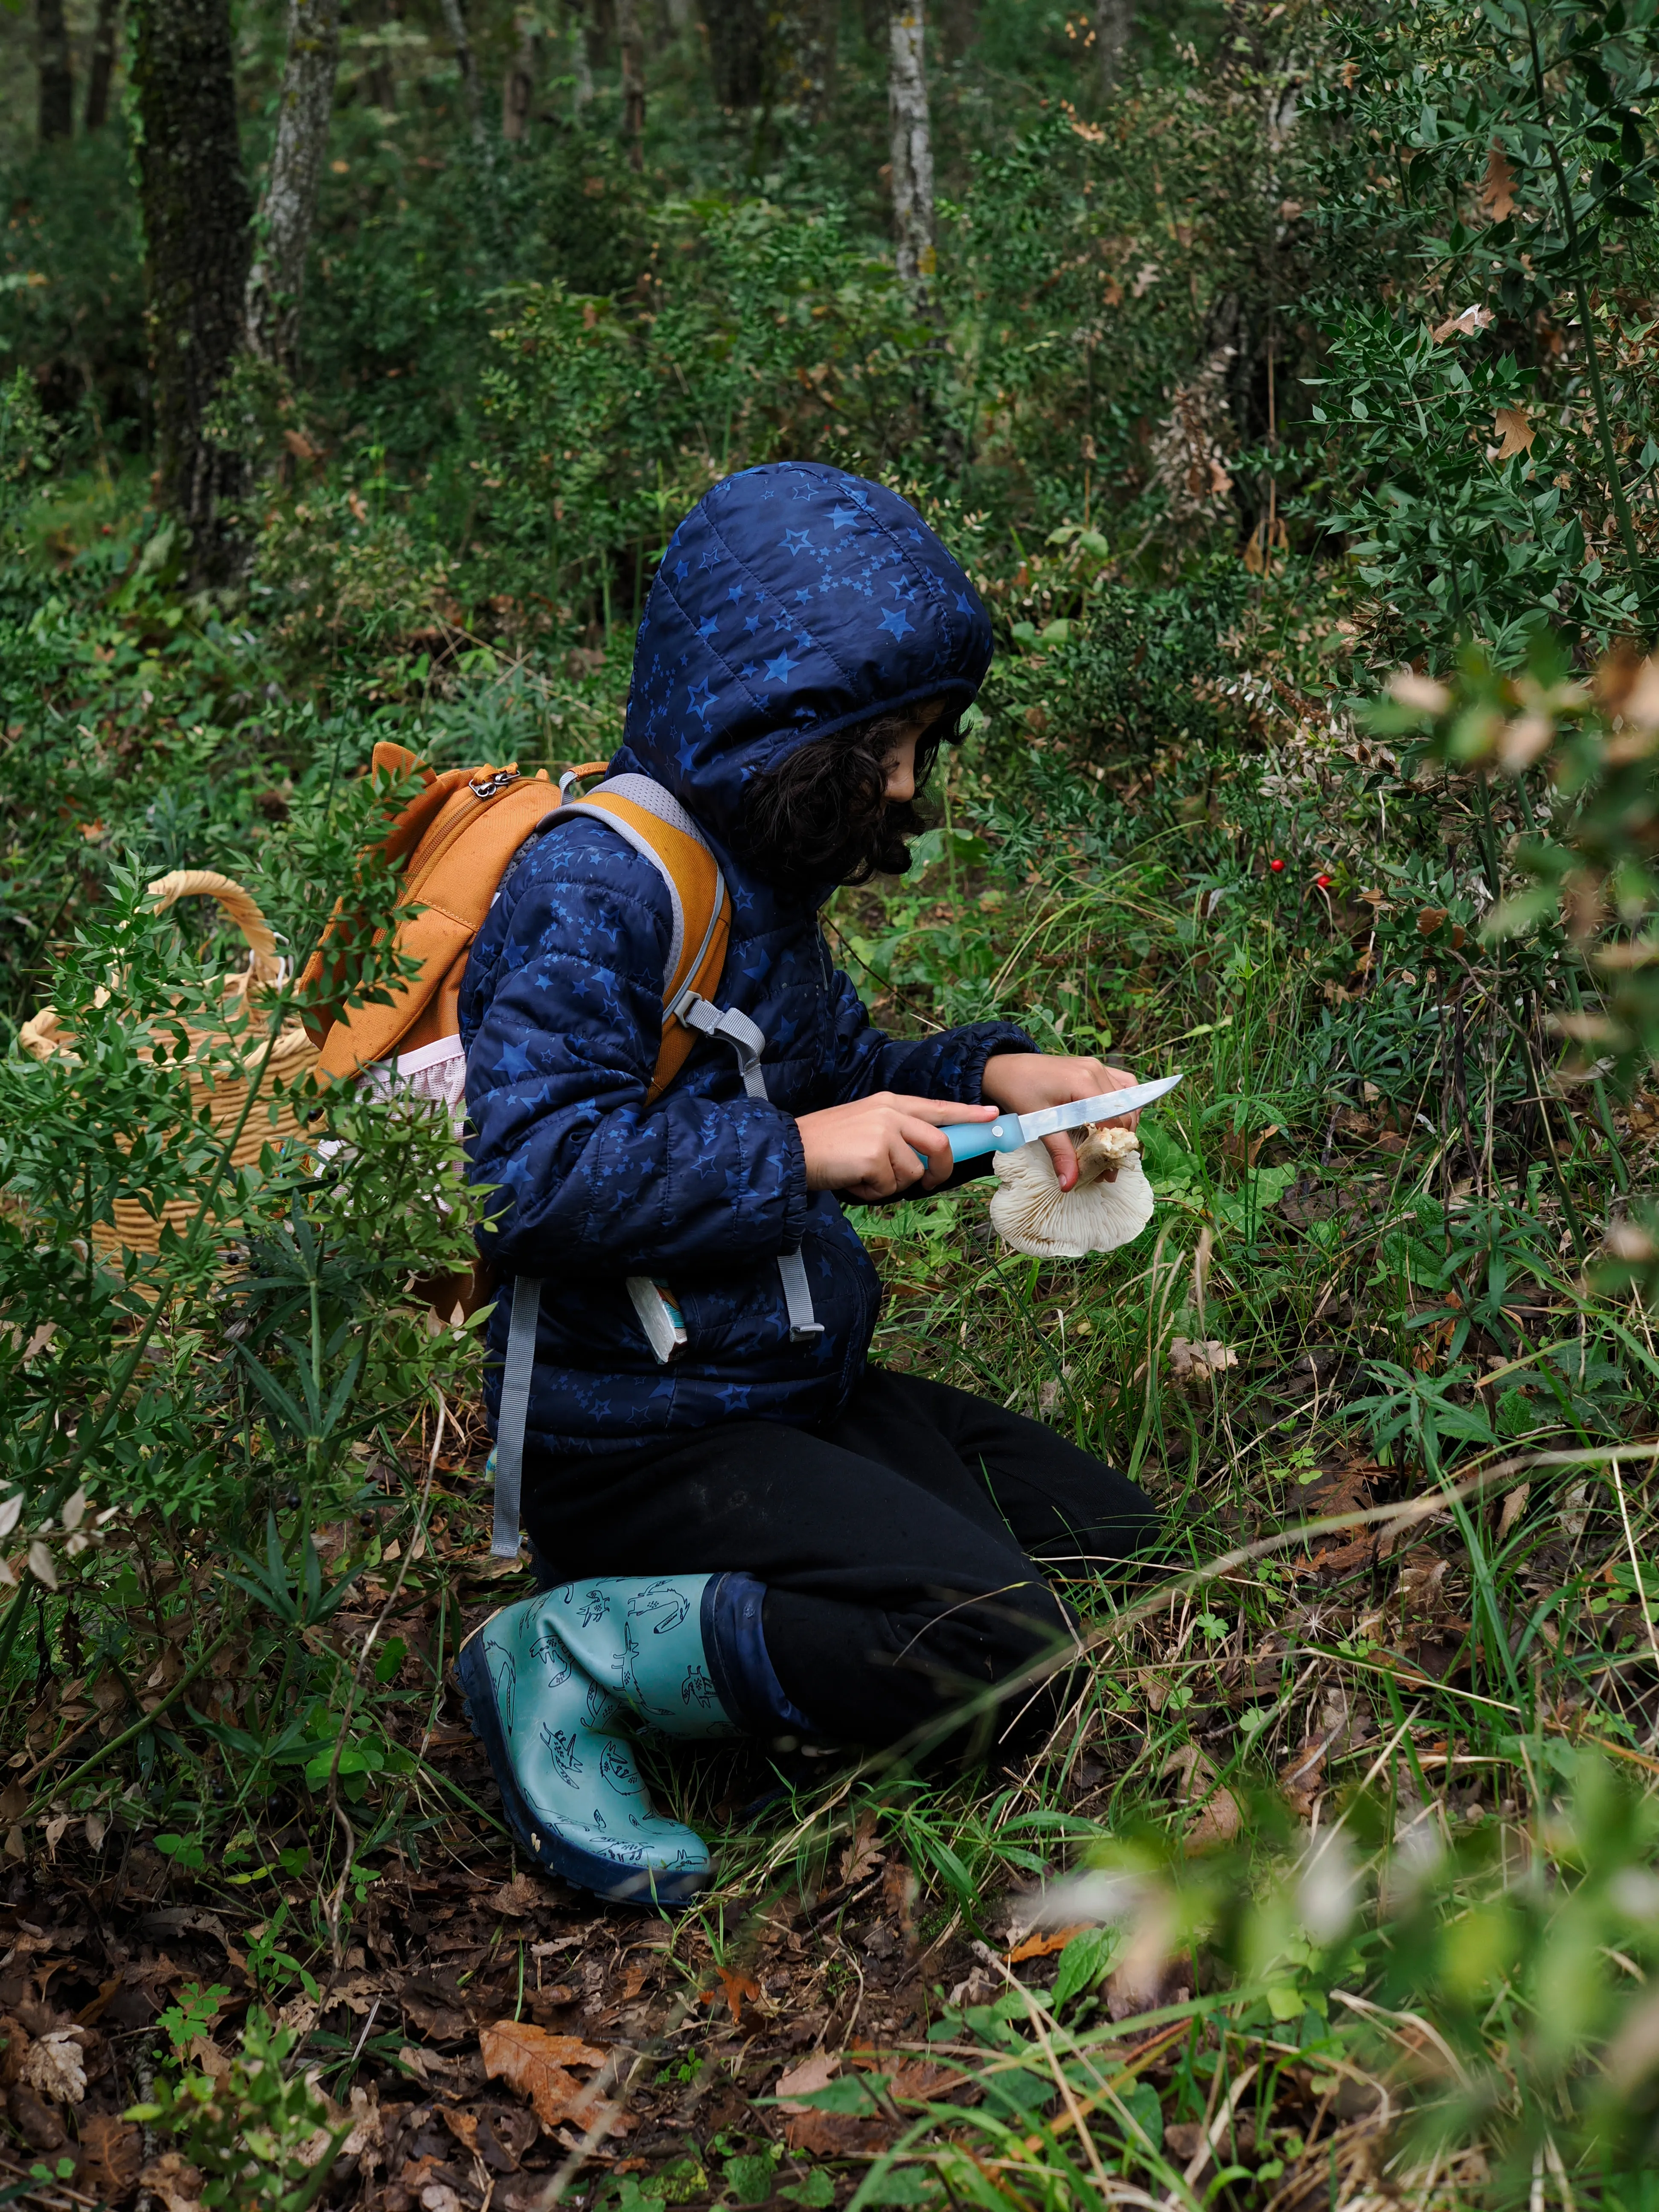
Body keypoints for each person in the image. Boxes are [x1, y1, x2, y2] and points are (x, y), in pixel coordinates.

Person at [453, 462, 1158, 1903]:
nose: (905, 784)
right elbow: (523, 1179)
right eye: (880, 744)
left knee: (1122, 1547)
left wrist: (1001, 1080)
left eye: (921, 743)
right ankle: (572, 1652)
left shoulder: (751, 886)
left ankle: (743, 1610)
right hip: (638, 1438)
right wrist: (795, 1155)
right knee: (1001, 1654)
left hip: (774, 1383)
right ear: (771, 717)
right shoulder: (593, 888)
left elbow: (841, 1079)